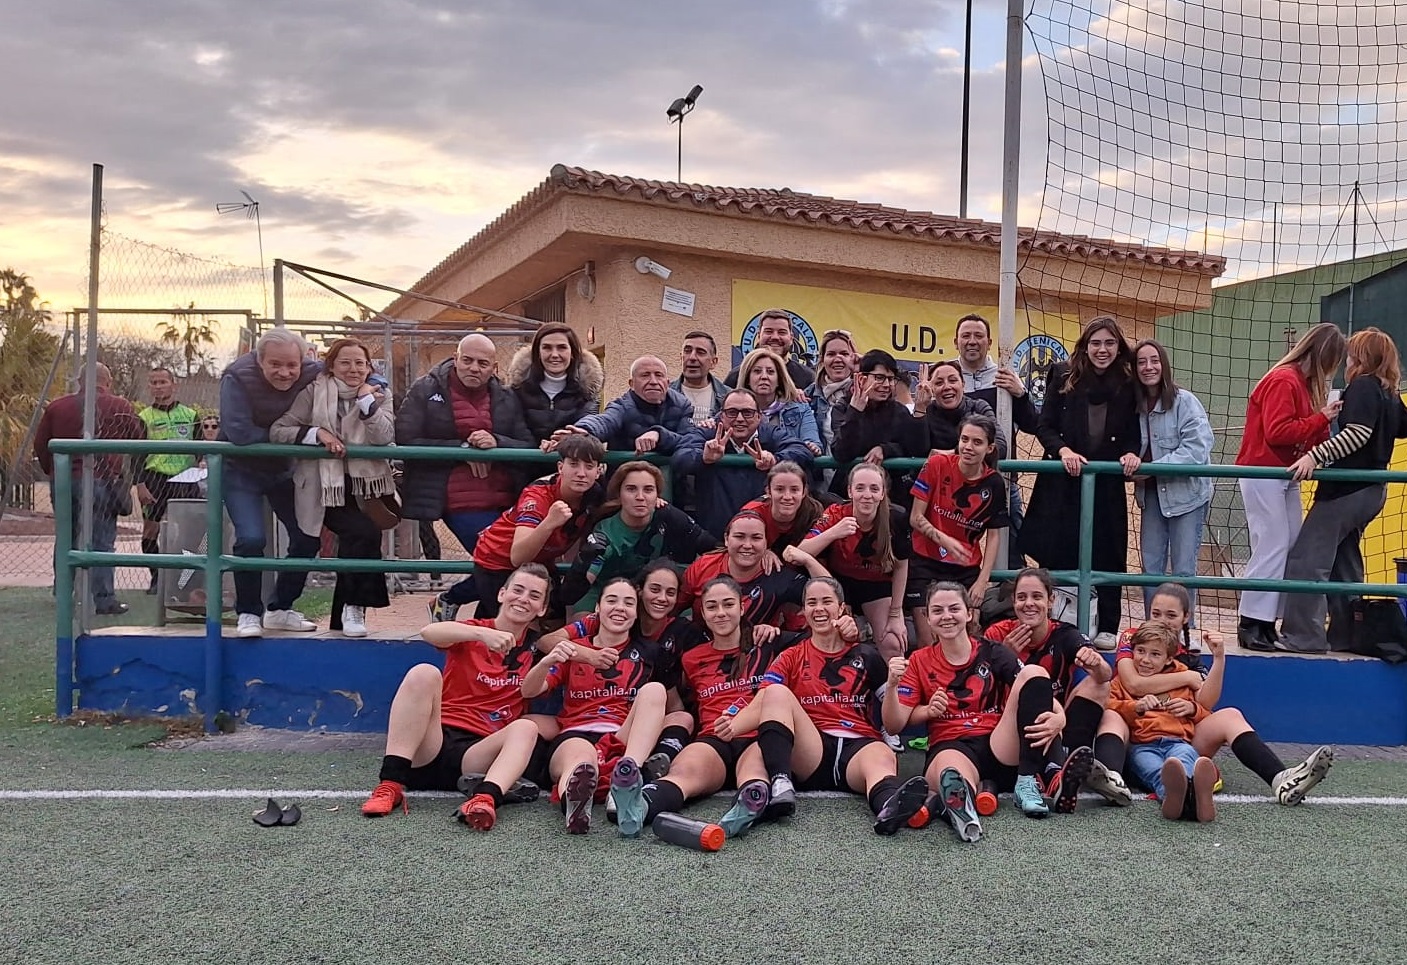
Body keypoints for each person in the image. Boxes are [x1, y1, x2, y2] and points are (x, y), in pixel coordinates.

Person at [1092, 582, 1334, 807]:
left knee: (1229, 715)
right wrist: (1187, 678)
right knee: (1110, 716)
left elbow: (1205, 704)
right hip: (1139, 739)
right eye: (1156, 614)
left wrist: (1217, 661)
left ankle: (1280, 779)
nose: (1163, 621)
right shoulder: (1135, 637)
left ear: (1186, 617)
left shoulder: (1188, 654)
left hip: (1178, 739)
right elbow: (1132, 684)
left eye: (1171, 615)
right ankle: (1114, 779)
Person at [722, 577, 929, 836]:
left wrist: (894, 686)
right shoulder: (791, 655)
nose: (819, 608)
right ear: (804, 611)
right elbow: (764, 700)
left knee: (881, 754)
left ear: (842, 608)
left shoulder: (867, 655)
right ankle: (769, 789)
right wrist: (731, 727)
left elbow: (892, 723)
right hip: (812, 749)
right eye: (811, 603)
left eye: (826, 602)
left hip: (858, 748)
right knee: (772, 701)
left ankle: (888, 805)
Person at [360, 563, 552, 830]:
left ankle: (485, 798)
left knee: (526, 727)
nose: (523, 599)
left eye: (534, 596)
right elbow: (429, 633)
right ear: (501, 594)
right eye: (517, 590)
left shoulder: (538, 651)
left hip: (476, 755)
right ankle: (390, 784)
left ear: (542, 608)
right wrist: (482, 634)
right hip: (433, 743)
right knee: (424, 673)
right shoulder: (473, 630)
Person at [882, 582, 1077, 842]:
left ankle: (1026, 780)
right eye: (937, 611)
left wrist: (1061, 717)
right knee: (950, 772)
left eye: (954, 608)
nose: (947, 616)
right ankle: (962, 804)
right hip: (952, 744)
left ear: (969, 614)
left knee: (1035, 672)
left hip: (997, 743)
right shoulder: (918, 659)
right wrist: (896, 687)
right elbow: (894, 726)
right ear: (927, 618)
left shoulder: (992, 651)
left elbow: (1034, 685)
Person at [635, 576, 806, 835]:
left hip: (755, 736)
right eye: (712, 607)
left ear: (742, 607)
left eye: (728, 605)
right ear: (702, 612)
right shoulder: (691, 658)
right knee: (683, 772)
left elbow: (816, 640)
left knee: (754, 772)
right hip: (713, 738)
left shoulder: (766, 644)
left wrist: (843, 623)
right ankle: (638, 805)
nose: (721, 613)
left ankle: (750, 803)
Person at [1281, 327, 1407, 653]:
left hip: (1345, 491)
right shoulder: (1388, 392)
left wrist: (1314, 455)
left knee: (1307, 561)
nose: (1346, 358)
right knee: (1343, 561)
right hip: (1373, 489)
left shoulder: (1362, 386)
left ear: (1361, 357)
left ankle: (1303, 636)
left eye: (1352, 353)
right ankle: (1347, 632)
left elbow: (1358, 434)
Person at [396, 333, 536, 624]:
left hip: (504, 498)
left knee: (509, 565)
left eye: (482, 363)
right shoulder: (426, 389)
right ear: (456, 358)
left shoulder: (506, 397)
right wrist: (462, 449)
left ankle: (455, 604)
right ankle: (471, 616)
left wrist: (496, 442)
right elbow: (406, 438)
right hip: (454, 499)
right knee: (499, 562)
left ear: (494, 367)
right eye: (468, 360)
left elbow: (526, 443)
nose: (474, 368)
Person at [1022, 316, 1142, 649]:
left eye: (1109, 343)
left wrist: (1132, 454)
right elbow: (1043, 426)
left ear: (1118, 348)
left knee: (1108, 551)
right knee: (1059, 550)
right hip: (1065, 483)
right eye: (1095, 343)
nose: (1102, 350)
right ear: (1084, 346)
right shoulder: (1062, 375)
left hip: (1105, 485)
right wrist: (1063, 451)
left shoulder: (1128, 383)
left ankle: (1107, 625)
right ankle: (1058, 623)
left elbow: (1134, 434)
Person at [519, 577, 671, 836]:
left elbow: (667, 705)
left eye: (629, 603)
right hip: (577, 731)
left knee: (654, 690)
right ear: (598, 608)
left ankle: (626, 781)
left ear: (636, 613)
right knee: (581, 760)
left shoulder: (648, 652)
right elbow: (529, 690)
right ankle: (575, 802)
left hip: (623, 734)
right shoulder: (574, 651)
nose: (620, 608)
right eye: (612, 601)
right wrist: (547, 662)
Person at [270, 338, 397, 638]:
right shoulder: (314, 391)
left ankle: (349, 613)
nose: (353, 369)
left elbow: (385, 436)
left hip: (363, 485)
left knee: (362, 537)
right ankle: (280, 608)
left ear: (369, 367)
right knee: (315, 542)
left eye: (360, 363)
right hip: (319, 486)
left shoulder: (380, 394)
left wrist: (367, 404)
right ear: (331, 365)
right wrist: (317, 434)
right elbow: (279, 429)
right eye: (345, 362)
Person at [1233, 322, 1345, 650]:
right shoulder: (1284, 380)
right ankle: (1252, 621)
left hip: (1283, 473)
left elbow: (1303, 432)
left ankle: (1266, 621)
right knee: (1273, 542)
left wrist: (1322, 425)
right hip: (1263, 470)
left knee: (1288, 542)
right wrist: (1322, 418)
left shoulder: (1302, 384)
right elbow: (1278, 431)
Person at [217, 329, 322, 638]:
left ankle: (280, 608)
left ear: (303, 361)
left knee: (307, 537)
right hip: (240, 469)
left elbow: (351, 371)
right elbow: (239, 432)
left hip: (284, 469)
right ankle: (248, 612)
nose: (285, 372)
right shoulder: (236, 376)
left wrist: (375, 386)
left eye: (293, 365)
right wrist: (300, 435)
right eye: (275, 364)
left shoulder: (313, 370)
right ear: (258, 359)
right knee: (250, 539)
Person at [982, 567, 1112, 809]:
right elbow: (983, 687)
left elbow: (1106, 675)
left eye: (1037, 597)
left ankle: (1065, 765)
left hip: (1058, 728)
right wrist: (1004, 655)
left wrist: (1096, 663)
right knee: (1035, 680)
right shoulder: (998, 634)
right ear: (1013, 602)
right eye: (1022, 597)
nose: (1029, 604)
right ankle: (1054, 772)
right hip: (1011, 730)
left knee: (1099, 685)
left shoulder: (1065, 634)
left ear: (1051, 601)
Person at [34, 362, 146, 616]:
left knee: (67, 536)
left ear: (79, 381)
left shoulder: (57, 406)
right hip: (103, 479)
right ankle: (104, 599)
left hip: (64, 479)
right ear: (108, 381)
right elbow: (138, 441)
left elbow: (41, 444)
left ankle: (63, 591)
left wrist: (52, 470)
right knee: (102, 541)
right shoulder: (120, 406)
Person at [460, 434, 607, 619]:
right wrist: (549, 523)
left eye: (589, 466)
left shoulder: (595, 494)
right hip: (497, 562)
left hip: (541, 562)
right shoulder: (538, 495)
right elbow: (518, 557)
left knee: (552, 620)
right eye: (574, 464)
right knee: (513, 628)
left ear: (599, 471)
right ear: (561, 467)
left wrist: (655, 504)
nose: (581, 473)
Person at [907, 413, 1008, 647]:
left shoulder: (994, 483)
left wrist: (983, 581)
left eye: (977, 442)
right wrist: (945, 540)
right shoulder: (937, 465)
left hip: (966, 568)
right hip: (925, 561)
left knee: (970, 637)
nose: (968, 447)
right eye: (964, 440)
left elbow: (994, 535)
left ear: (990, 448)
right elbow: (915, 517)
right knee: (927, 640)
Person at [561, 461, 717, 613]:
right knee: (581, 624)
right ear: (619, 494)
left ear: (658, 495)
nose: (640, 497)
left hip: (653, 591)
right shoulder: (605, 533)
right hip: (607, 589)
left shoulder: (668, 516)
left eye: (648, 490)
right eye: (631, 489)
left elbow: (713, 547)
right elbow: (574, 590)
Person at [1132, 339, 1214, 619]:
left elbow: (1197, 450)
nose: (1148, 367)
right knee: (1151, 569)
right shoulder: (1133, 407)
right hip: (1151, 498)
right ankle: (1151, 632)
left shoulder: (1186, 403)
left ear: (1164, 365)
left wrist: (1151, 468)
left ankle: (1183, 636)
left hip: (1187, 498)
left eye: (1154, 360)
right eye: (1141, 362)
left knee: (1182, 571)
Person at [1107, 622, 1218, 822]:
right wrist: (1136, 707)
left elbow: (1205, 712)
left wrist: (1191, 708)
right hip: (1142, 746)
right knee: (1157, 771)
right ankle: (1182, 799)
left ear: (1168, 659)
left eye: (1155, 654)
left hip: (1178, 741)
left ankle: (1189, 795)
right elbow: (1109, 707)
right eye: (1140, 651)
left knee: (1184, 760)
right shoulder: (1121, 681)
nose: (1145, 660)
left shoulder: (1181, 676)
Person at [799, 462, 911, 660]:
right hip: (839, 584)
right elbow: (800, 552)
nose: (867, 495)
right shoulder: (835, 513)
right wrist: (834, 532)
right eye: (860, 488)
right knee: (840, 636)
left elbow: (902, 566)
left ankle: (894, 689)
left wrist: (896, 613)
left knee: (893, 642)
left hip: (876, 585)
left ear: (883, 493)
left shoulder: (896, 517)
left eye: (874, 489)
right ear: (850, 491)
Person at [673, 388, 813, 540]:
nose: (740, 419)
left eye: (747, 413)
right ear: (722, 416)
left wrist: (775, 460)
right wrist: (703, 457)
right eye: (732, 412)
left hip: (764, 539)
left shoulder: (771, 433)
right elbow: (679, 457)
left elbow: (803, 452)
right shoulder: (707, 434)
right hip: (714, 537)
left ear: (759, 416)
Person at [676, 511, 832, 627]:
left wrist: (808, 560)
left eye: (756, 538)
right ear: (726, 539)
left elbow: (832, 595)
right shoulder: (703, 566)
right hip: (700, 653)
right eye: (739, 536)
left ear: (766, 543)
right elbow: (672, 610)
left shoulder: (777, 574)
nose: (747, 545)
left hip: (753, 656)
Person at [830, 349, 928, 504]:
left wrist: (886, 449)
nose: (887, 385)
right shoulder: (842, 408)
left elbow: (916, 449)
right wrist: (855, 411)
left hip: (892, 495)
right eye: (880, 378)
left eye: (891, 379)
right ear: (862, 378)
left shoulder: (898, 410)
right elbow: (842, 452)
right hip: (849, 494)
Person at [134, 367, 200, 594]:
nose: (158, 386)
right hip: (155, 478)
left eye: (163, 381)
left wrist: (200, 469)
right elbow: (135, 455)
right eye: (154, 382)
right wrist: (140, 485)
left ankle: (184, 580)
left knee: (189, 531)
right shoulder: (144, 417)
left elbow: (202, 451)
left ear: (174, 384)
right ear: (149, 387)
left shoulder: (190, 416)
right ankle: (157, 578)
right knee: (151, 531)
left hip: (185, 480)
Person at [562, 355, 694, 455]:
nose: (653, 381)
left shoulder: (683, 406)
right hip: (626, 485)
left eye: (659, 375)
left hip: (674, 487)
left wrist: (659, 435)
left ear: (667, 382)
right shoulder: (621, 406)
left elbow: (689, 441)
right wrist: (585, 430)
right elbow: (605, 420)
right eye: (645, 375)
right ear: (631, 383)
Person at [504, 322, 604, 449]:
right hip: (524, 465)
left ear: (572, 353)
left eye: (562, 347)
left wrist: (563, 441)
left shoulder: (587, 393)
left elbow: (585, 430)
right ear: (537, 353)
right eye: (547, 348)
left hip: (569, 463)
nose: (555, 355)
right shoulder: (517, 391)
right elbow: (515, 433)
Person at [737, 347, 822, 457]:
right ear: (747, 378)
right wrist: (708, 424)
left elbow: (813, 442)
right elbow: (715, 426)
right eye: (757, 371)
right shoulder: (734, 408)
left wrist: (812, 447)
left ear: (779, 379)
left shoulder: (800, 408)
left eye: (770, 372)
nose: (764, 377)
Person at [912, 360, 1004, 456]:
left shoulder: (978, 408)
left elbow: (1000, 447)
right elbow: (917, 452)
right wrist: (920, 408)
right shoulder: (926, 411)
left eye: (952, 381)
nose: (947, 387)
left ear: (963, 384)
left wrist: (953, 454)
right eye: (939, 383)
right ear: (932, 389)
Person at [740, 461, 826, 554]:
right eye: (779, 489)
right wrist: (762, 553)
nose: (787, 497)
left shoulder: (814, 512)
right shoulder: (750, 514)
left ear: (804, 492)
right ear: (768, 492)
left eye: (794, 490)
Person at [724, 309, 815, 390]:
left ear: (791, 338)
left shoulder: (808, 377)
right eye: (769, 331)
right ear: (759, 336)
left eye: (782, 332)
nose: (775, 337)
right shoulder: (736, 376)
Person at [805, 329, 858, 458]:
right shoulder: (808, 395)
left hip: (854, 474)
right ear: (822, 359)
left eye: (844, 354)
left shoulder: (867, 394)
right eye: (831, 354)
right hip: (820, 475)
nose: (838, 359)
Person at [672, 330, 730, 424]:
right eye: (687, 351)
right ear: (681, 358)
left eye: (700, 352)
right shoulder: (665, 395)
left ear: (713, 362)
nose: (692, 357)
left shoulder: (728, 397)